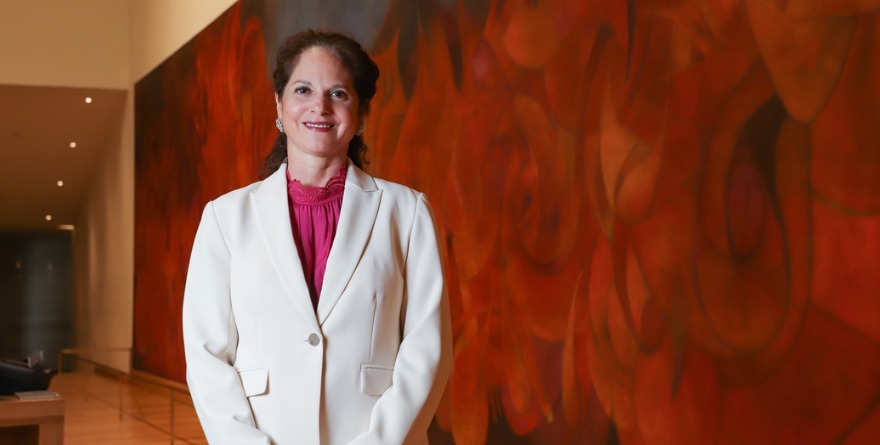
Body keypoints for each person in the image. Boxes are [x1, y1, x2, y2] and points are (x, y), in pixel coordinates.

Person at [182, 29, 452, 444]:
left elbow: (427, 350)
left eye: (338, 93)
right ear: (279, 104)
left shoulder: (407, 213)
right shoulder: (225, 218)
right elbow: (206, 356)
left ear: (361, 112)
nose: (320, 107)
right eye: (303, 89)